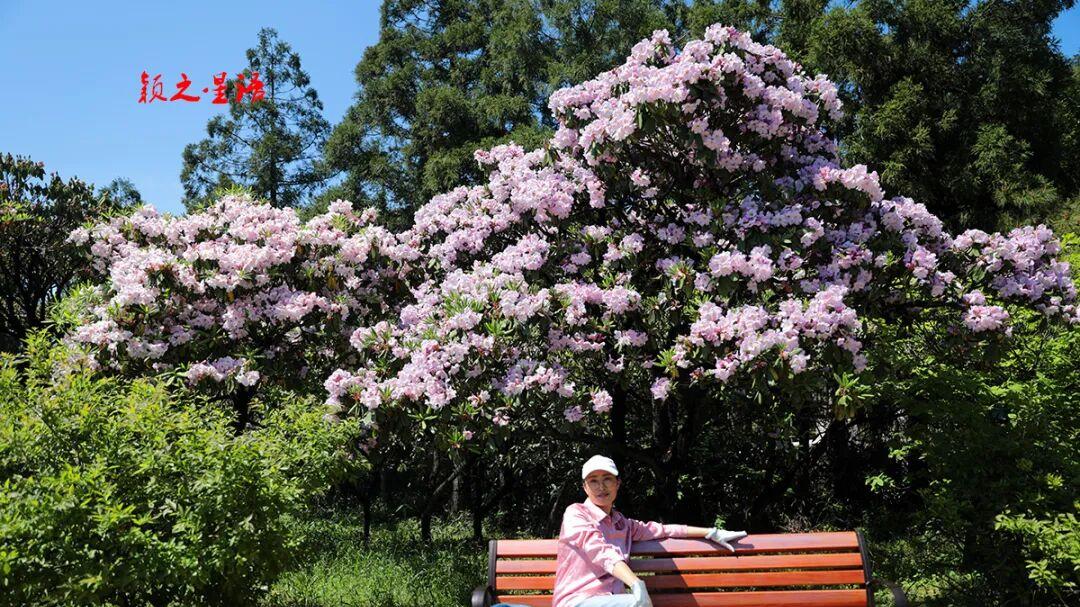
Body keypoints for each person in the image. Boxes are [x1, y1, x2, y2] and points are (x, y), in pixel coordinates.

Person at [493, 455, 748, 607]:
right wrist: (636, 583)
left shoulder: (622, 524)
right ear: (584, 487)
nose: (601, 487)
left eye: (607, 479)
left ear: (618, 484)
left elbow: (663, 529)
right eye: (593, 481)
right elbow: (600, 551)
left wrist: (710, 532)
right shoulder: (575, 514)